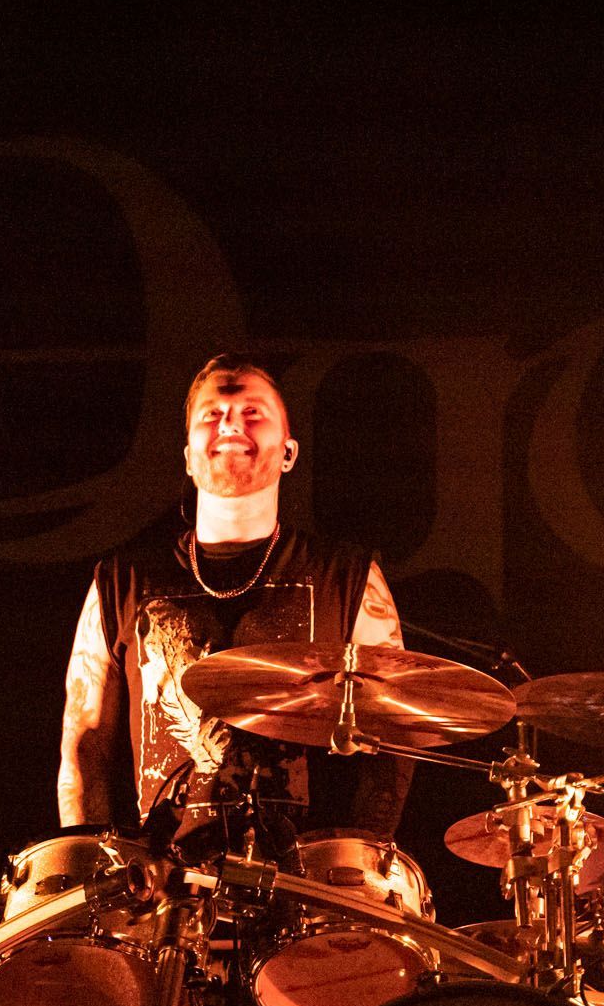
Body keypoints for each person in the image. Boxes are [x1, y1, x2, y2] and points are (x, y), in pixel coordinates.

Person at [57, 354, 412, 848]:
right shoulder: (121, 581)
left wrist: (357, 863)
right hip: (165, 884)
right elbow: (85, 743)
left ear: (288, 452)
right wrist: (89, 862)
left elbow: (393, 738)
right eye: (213, 414)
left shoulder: (348, 577)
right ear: (188, 457)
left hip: (303, 882)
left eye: (252, 412)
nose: (230, 424)